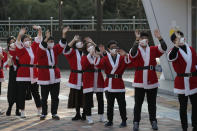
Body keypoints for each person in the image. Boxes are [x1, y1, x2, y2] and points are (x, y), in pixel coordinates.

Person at [129, 30, 167, 131]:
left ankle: (153, 121)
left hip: (152, 79)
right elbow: (132, 54)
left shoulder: (153, 49)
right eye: (141, 39)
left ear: (148, 40)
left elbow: (164, 48)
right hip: (139, 81)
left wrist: (160, 38)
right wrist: (136, 41)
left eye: (145, 38)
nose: (143, 40)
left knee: (152, 103)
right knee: (138, 104)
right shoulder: (136, 49)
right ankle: (136, 122)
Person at [93, 40, 131, 128]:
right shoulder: (106, 58)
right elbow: (97, 65)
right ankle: (110, 120)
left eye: (116, 47)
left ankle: (124, 120)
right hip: (109, 84)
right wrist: (97, 55)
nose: (115, 49)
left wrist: (126, 54)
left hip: (119, 83)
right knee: (110, 104)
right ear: (109, 49)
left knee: (122, 104)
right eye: (112, 47)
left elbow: (130, 62)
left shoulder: (121, 57)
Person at [167, 31, 197, 131]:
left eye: (181, 37)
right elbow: (171, 57)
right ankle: (184, 127)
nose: (180, 39)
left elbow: (196, 64)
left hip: (193, 81)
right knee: (183, 107)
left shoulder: (191, 49)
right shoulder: (173, 51)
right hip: (181, 82)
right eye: (177, 38)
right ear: (174, 41)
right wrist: (176, 45)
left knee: (196, 105)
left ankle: (195, 125)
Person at [37, 27, 68, 120]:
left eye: (52, 41)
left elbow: (62, 45)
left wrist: (63, 34)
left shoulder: (54, 49)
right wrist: (46, 38)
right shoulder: (41, 50)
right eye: (49, 41)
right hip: (44, 75)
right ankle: (44, 113)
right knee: (44, 97)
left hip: (55, 74)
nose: (51, 42)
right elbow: (41, 47)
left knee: (55, 96)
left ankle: (54, 113)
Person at [15, 26, 42, 118]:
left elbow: (38, 39)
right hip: (23, 74)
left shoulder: (33, 47)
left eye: (29, 39)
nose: (28, 41)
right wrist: (20, 34)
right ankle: (22, 111)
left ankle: (39, 109)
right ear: (23, 42)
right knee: (22, 93)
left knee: (35, 92)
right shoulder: (21, 49)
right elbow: (17, 42)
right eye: (25, 40)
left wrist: (39, 29)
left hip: (33, 73)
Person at [81, 39, 105, 124]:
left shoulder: (98, 56)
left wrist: (97, 55)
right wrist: (90, 55)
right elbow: (84, 66)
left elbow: (102, 65)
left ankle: (101, 116)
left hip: (98, 77)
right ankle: (89, 117)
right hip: (88, 78)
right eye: (88, 46)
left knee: (100, 98)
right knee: (88, 99)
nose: (90, 47)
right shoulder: (84, 56)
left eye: (91, 46)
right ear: (85, 48)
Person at [63, 35, 86, 121]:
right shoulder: (72, 51)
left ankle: (84, 113)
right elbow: (65, 51)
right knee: (76, 95)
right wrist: (73, 40)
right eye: (77, 42)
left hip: (84, 76)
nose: (79, 43)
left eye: (80, 41)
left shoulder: (86, 51)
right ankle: (77, 113)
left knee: (84, 95)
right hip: (75, 76)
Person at [5, 36, 21, 116]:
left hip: (20, 72)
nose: (13, 43)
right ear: (8, 44)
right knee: (11, 90)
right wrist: (9, 57)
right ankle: (10, 107)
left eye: (14, 42)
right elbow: (8, 64)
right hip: (12, 73)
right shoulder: (7, 52)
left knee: (19, 90)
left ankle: (18, 109)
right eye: (11, 42)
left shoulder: (20, 50)